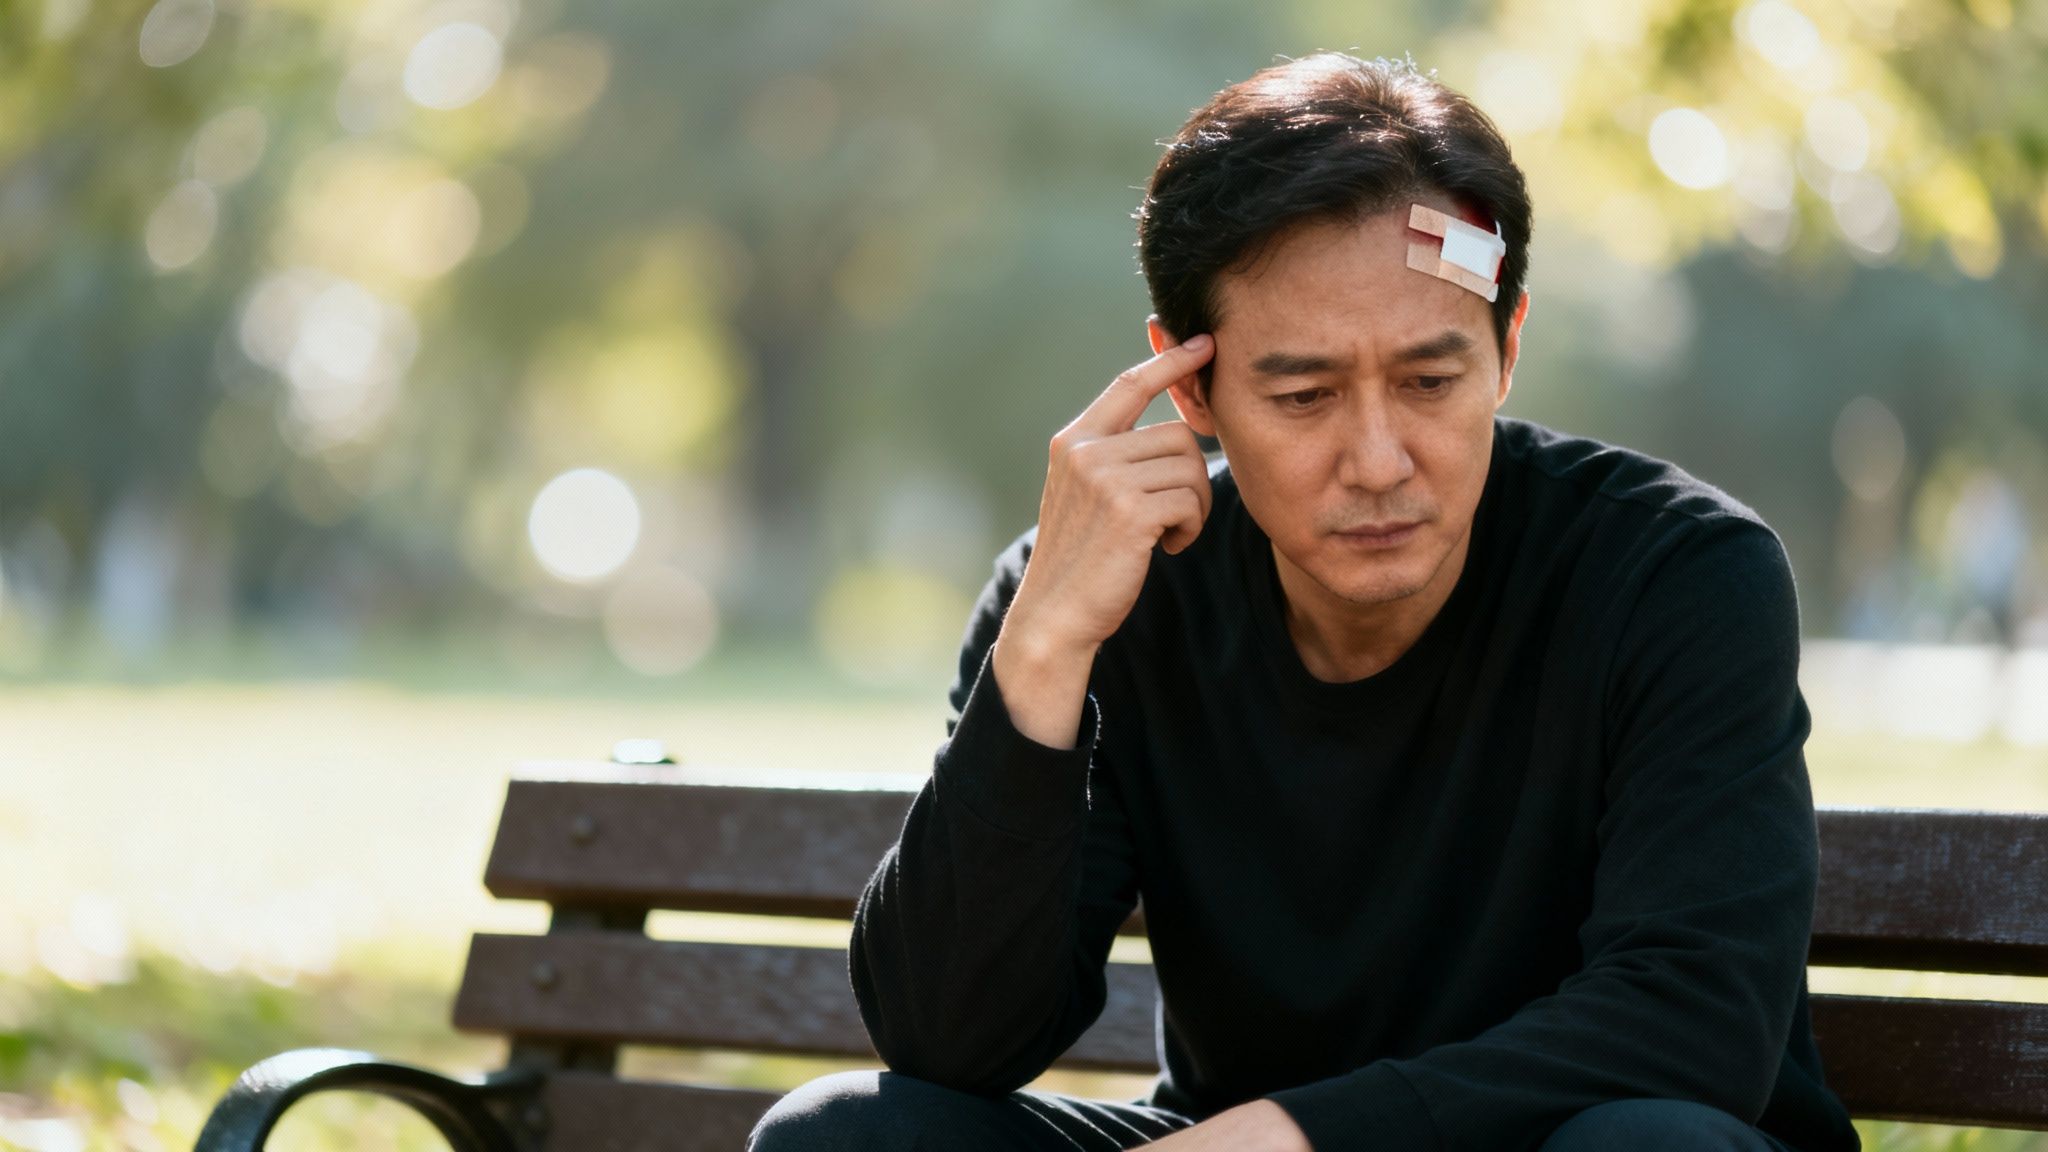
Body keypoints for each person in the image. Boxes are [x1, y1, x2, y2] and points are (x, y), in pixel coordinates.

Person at [749, 51, 1861, 1152]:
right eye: (1303, 395)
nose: (1378, 460)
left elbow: (1691, 1020)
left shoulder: (1673, 573)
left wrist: (1292, 1139)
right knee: (840, 1138)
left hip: (1551, 1143)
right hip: (1226, 1139)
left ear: (1504, 347)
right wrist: (1039, 653)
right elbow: (948, 1042)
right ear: (1191, 389)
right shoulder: (1110, 593)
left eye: (1430, 381)